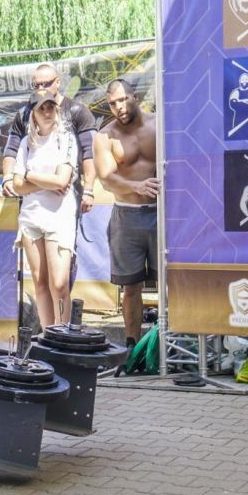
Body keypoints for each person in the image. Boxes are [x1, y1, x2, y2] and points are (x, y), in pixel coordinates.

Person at [93, 78, 159, 346]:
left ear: (136, 97)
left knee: (170, 282)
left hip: (161, 214)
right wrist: (136, 186)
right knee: (130, 286)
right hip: (126, 216)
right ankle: (132, 347)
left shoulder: (160, 126)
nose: (118, 107)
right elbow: (106, 178)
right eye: (112, 103)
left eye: (123, 99)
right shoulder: (105, 136)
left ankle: (171, 345)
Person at [8, 91, 78, 330]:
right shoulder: (26, 144)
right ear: (33, 115)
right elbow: (17, 185)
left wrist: (29, 175)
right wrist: (46, 182)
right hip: (31, 216)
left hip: (59, 215)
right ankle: (48, 335)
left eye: (50, 107)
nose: (47, 112)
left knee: (59, 283)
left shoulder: (66, 138)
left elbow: (62, 180)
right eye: (41, 109)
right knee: (40, 281)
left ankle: (63, 333)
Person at [0, 63, 99, 213]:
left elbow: (90, 152)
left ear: (58, 82)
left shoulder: (77, 111)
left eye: (46, 84)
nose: (41, 88)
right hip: (31, 201)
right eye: (36, 85)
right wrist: (7, 177)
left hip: (65, 196)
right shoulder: (24, 114)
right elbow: (11, 149)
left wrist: (89, 189)